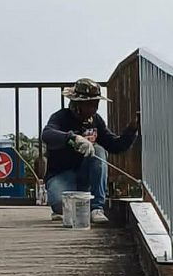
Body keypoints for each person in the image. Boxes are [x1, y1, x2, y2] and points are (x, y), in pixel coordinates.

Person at [41, 78, 140, 224]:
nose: (94, 109)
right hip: (61, 175)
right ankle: (67, 207)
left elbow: (114, 145)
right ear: (77, 104)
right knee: (60, 204)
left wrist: (131, 130)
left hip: (84, 175)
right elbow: (47, 134)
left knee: (98, 151)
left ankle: (96, 208)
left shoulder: (96, 121)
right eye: (90, 104)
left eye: (96, 104)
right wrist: (72, 138)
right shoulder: (61, 117)